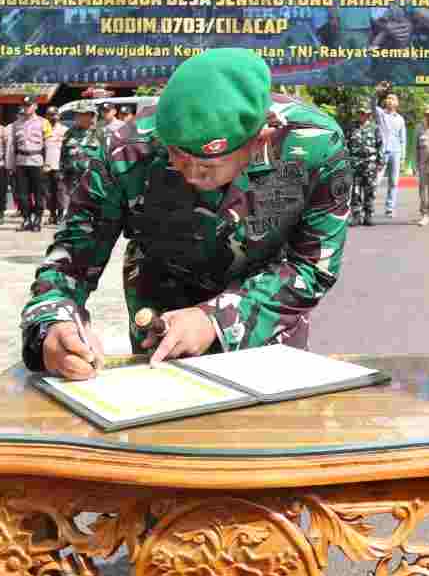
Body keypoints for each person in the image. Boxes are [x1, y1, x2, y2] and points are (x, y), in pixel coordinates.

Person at [19, 48, 353, 379]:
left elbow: (312, 267)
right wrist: (53, 324)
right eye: (176, 155)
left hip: (265, 319)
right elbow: (70, 261)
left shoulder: (314, 145)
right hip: (163, 321)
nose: (190, 174)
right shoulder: (128, 148)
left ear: (260, 141)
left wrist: (216, 319)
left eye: (207, 166)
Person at [7, 95, 49, 232]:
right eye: (24, 105)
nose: (26, 108)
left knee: (38, 193)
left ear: (35, 106)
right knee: (22, 194)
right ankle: (26, 219)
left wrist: (48, 163)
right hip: (21, 162)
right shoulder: (16, 124)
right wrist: (11, 165)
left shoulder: (44, 122)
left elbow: (48, 145)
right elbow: (12, 146)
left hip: (37, 161)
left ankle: (37, 219)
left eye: (29, 105)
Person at [58, 104, 102, 208]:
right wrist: (62, 173)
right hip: (73, 179)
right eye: (77, 114)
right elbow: (63, 154)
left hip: (93, 180)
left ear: (91, 116)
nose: (77, 117)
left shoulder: (101, 133)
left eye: (81, 114)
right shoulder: (69, 133)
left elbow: (106, 157)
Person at [371, 88, 406, 218]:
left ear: (397, 103)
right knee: (376, 180)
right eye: (388, 98)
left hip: (396, 152)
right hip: (382, 152)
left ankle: (390, 208)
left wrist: (402, 157)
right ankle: (370, 206)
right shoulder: (381, 114)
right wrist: (376, 93)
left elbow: (403, 139)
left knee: (394, 182)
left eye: (393, 99)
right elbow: (372, 105)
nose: (390, 100)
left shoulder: (400, 119)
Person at [345, 106, 382, 227]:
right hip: (355, 163)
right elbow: (346, 145)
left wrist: (380, 161)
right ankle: (356, 215)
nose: (362, 115)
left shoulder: (374, 128)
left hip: (370, 164)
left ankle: (368, 215)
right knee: (355, 191)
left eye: (364, 113)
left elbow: (379, 145)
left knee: (370, 190)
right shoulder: (351, 127)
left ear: (368, 115)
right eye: (360, 113)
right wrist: (346, 160)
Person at [43, 105, 68, 225]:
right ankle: (52, 215)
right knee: (48, 192)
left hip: (60, 165)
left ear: (58, 115)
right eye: (49, 115)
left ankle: (60, 214)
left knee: (60, 191)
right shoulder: (43, 130)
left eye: (54, 114)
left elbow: (67, 149)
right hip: (47, 165)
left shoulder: (64, 130)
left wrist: (65, 165)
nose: (52, 117)